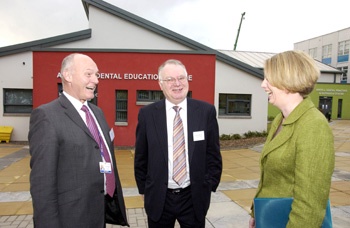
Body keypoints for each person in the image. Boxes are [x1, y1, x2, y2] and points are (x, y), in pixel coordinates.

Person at [28, 53, 129, 228]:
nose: (96, 80)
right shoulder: (47, 116)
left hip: (98, 212)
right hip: (71, 218)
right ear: (68, 76)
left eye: (97, 75)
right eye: (89, 74)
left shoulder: (97, 113)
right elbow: (42, 184)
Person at [249, 50, 335, 228]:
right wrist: (256, 212)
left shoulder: (313, 125)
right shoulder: (281, 119)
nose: (263, 84)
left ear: (287, 81)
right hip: (269, 217)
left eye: (268, 79)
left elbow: (310, 203)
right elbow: (271, 178)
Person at [134, 59, 222, 228]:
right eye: (170, 79)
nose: (177, 84)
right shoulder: (147, 114)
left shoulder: (205, 112)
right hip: (160, 197)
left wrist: (208, 186)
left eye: (181, 78)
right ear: (160, 84)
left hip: (193, 197)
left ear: (187, 80)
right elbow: (141, 157)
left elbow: (213, 154)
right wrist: (145, 190)